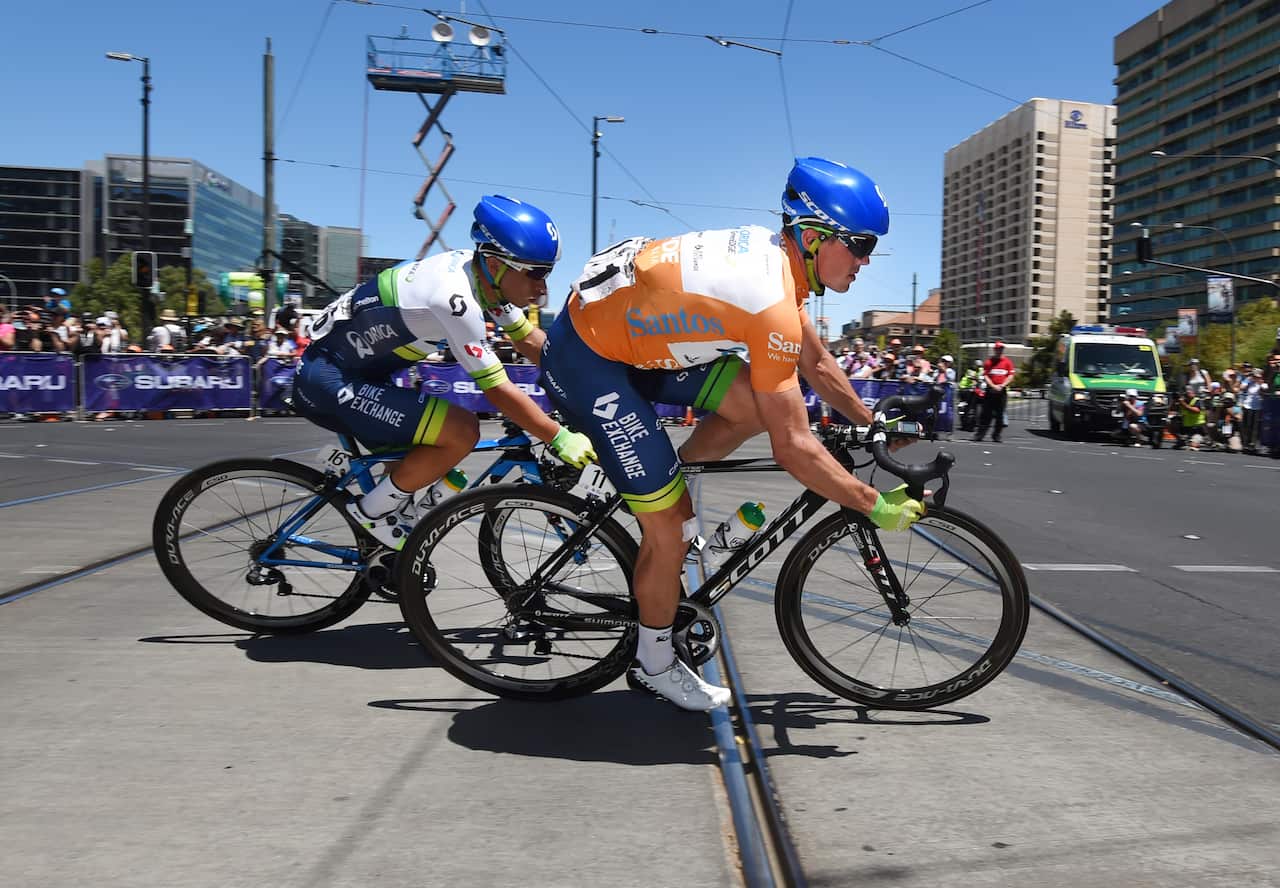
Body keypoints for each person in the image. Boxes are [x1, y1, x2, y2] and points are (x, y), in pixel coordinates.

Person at [538, 156, 925, 711]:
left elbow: (816, 364)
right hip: (588, 362)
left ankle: (666, 493)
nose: (866, 260)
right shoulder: (769, 301)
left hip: (630, 342)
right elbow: (792, 446)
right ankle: (653, 663)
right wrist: (872, 504)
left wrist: (870, 423)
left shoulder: (780, 262)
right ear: (815, 237)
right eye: (861, 244)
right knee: (668, 532)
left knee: (746, 405)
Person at [292, 195, 595, 550]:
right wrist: (557, 436)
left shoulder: (482, 278)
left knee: (421, 466)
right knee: (461, 431)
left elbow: (531, 341)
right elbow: (496, 389)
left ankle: (384, 551)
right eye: (536, 274)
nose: (543, 288)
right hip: (329, 378)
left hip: (362, 375)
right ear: (497, 264)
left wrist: (589, 381)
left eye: (548, 274)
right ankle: (370, 515)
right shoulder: (455, 298)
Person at [973, 340, 1014, 443]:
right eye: (998, 349)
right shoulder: (989, 362)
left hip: (1001, 391)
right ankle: (980, 434)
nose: (999, 351)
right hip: (990, 391)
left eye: (1001, 349)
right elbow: (986, 375)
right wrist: (993, 386)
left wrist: (1002, 385)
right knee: (986, 414)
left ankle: (996, 435)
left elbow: (1010, 375)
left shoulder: (1007, 362)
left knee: (1000, 415)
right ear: (994, 350)